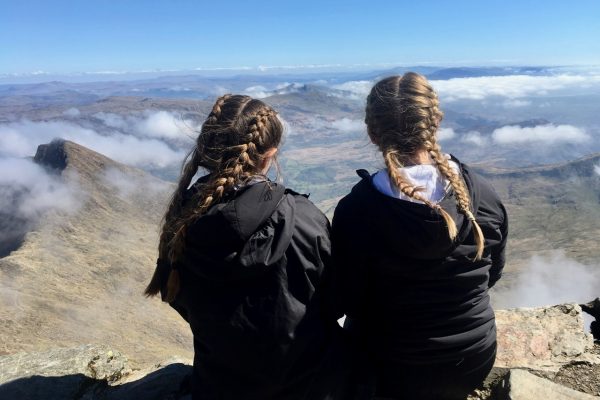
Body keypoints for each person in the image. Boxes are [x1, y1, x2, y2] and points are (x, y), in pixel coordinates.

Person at [145, 94, 347, 400]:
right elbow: (336, 300)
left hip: (219, 386)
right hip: (309, 385)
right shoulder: (303, 218)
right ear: (270, 155)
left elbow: (178, 297)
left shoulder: (183, 219)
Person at [331, 73, 508, 400]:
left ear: (372, 133)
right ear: (436, 123)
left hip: (389, 367)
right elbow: (491, 274)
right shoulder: (483, 193)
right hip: (472, 359)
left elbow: (346, 298)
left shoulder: (357, 210)